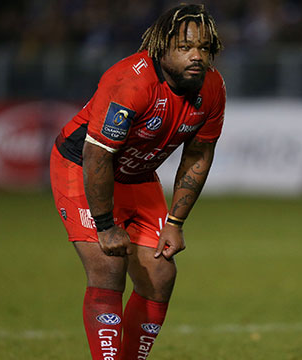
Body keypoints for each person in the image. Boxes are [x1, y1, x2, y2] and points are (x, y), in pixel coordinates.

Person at [49, 4, 225, 359]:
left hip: (138, 175)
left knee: (160, 275)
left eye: (204, 48)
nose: (197, 56)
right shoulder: (131, 82)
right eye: (185, 47)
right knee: (108, 265)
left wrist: (175, 222)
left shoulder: (213, 88)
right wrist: (104, 225)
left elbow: (198, 155)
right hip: (82, 166)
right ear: (162, 46)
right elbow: (97, 155)